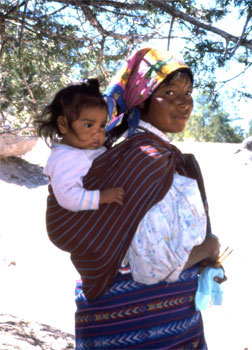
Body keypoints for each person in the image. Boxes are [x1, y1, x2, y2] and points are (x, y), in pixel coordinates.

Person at [45, 48, 227, 349]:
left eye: (188, 92)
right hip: (143, 326)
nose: (184, 102)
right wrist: (210, 247)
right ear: (142, 98)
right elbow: (151, 265)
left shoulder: (152, 154)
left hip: (164, 325)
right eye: (169, 91)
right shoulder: (142, 159)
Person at [35, 79, 124, 212]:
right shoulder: (65, 159)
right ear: (63, 124)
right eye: (88, 125)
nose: (98, 133)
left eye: (102, 125)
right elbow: (68, 197)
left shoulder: (82, 148)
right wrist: (102, 197)